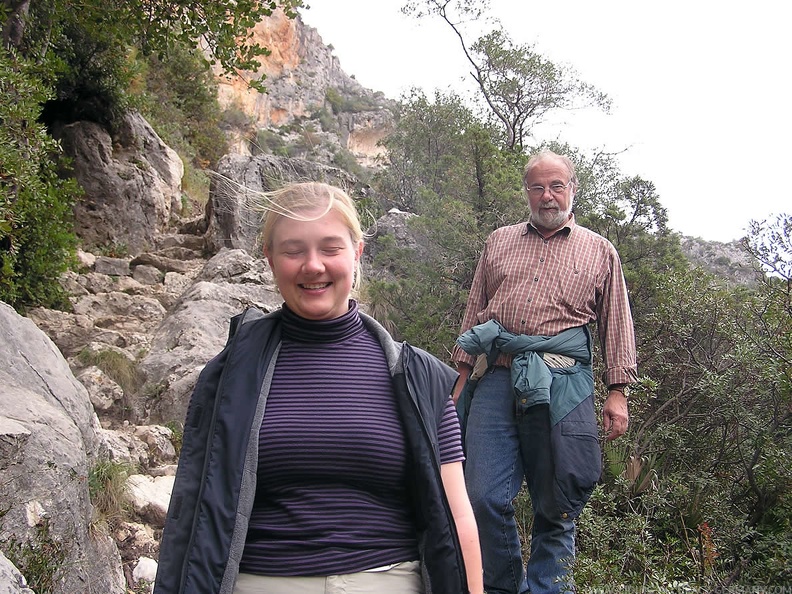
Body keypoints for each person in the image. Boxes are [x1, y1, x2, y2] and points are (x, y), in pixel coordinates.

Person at [153, 181, 484, 594]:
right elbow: (194, 515)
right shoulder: (229, 377)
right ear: (270, 259)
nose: (313, 266)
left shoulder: (419, 378)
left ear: (357, 252)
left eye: (330, 248)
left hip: (389, 579)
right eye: (294, 251)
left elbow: (458, 518)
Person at [451, 150, 638, 594]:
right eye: (537, 187)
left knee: (558, 502)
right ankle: (503, 586)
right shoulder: (499, 241)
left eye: (556, 186)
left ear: (573, 189)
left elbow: (616, 321)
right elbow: (475, 312)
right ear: (527, 192)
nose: (547, 196)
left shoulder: (599, 250)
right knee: (482, 495)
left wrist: (618, 391)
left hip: (564, 384)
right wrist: (456, 383)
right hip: (498, 376)